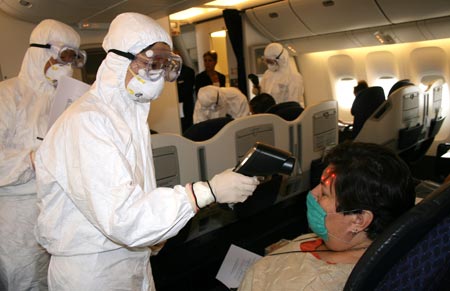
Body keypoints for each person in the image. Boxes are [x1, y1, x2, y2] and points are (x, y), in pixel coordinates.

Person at [34, 12, 259, 290]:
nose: (159, 76)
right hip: (93, 270)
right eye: (152, 64)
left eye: (166, 66)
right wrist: (207, 192)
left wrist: (154, 236)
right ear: (120, 59)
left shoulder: (130, 116)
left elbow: (136, 195)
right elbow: (122, 218)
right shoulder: (87, 121)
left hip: (132, 257)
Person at [239, 141, 415, 291]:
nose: (313, 194)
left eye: (324, 193)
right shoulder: (345, 241)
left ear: (358, 220)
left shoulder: (314, 285)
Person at [0, 19, 84, 290]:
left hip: (61, 207)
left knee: (61, 280)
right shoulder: (8, 94)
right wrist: (32, 159)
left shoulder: (70, 102)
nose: (68, 65)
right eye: (64, 56)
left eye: (73, 57)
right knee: (25, 282)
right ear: (41, 52)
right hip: (18, 217)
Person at [253, 42, 305, 107]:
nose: (269, 65)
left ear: (281, 59)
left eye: (271, 62)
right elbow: (263, 93)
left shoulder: (294, 76)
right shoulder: (267, 74)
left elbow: (294, 104)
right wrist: (258, 91)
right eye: (267, 61)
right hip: (269, 112)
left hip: (284, 114)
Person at [176, 62, 195, 132]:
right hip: (174, 106)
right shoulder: (169, 71)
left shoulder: (188, 72)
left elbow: (187, 90)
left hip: (186, 106)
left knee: (187, 127)